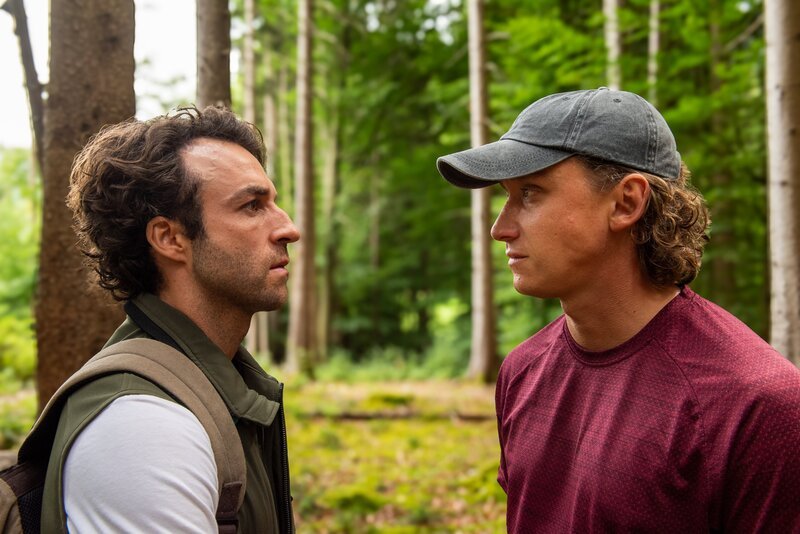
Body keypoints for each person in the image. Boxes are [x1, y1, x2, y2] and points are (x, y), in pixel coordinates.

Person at [436, 87, 800, 532]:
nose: (500, 228)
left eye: (530, 193)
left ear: (626, 202)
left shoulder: (758, 405)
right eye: (505, 196)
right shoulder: (522, 371)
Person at [42, 105, 299, 533]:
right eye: (252, 206)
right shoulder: (139, 425)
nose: (288, 228)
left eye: (273, 202)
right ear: (170, 238)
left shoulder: (221, 384)